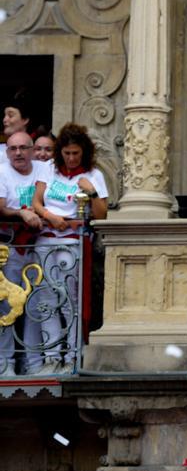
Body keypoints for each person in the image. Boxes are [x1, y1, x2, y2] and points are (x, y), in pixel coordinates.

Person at [31, 124, 108, 375]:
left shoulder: (94, 174)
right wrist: (48, 216)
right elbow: (36, 201)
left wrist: (92, 191)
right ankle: (51, 356)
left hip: (73, 241)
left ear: (84, 152)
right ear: (60, 152)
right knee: (46, 300)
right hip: (47, 238)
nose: (71, 158)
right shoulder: (49, 169)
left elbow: (102, 213)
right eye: (67, 153)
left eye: (76, 153)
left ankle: (72, 355)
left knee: (70, 301)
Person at [0, 132, 48, 375]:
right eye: (13, 149)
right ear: (7, 152)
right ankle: (5, 364)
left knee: (36, 307)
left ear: (32, 149)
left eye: (23, 148)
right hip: (10, 249)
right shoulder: (2, 171)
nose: (18, 153)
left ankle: (35, 363)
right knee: (7, 307)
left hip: (42, 247)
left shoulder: (43, 168)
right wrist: (21, 213)